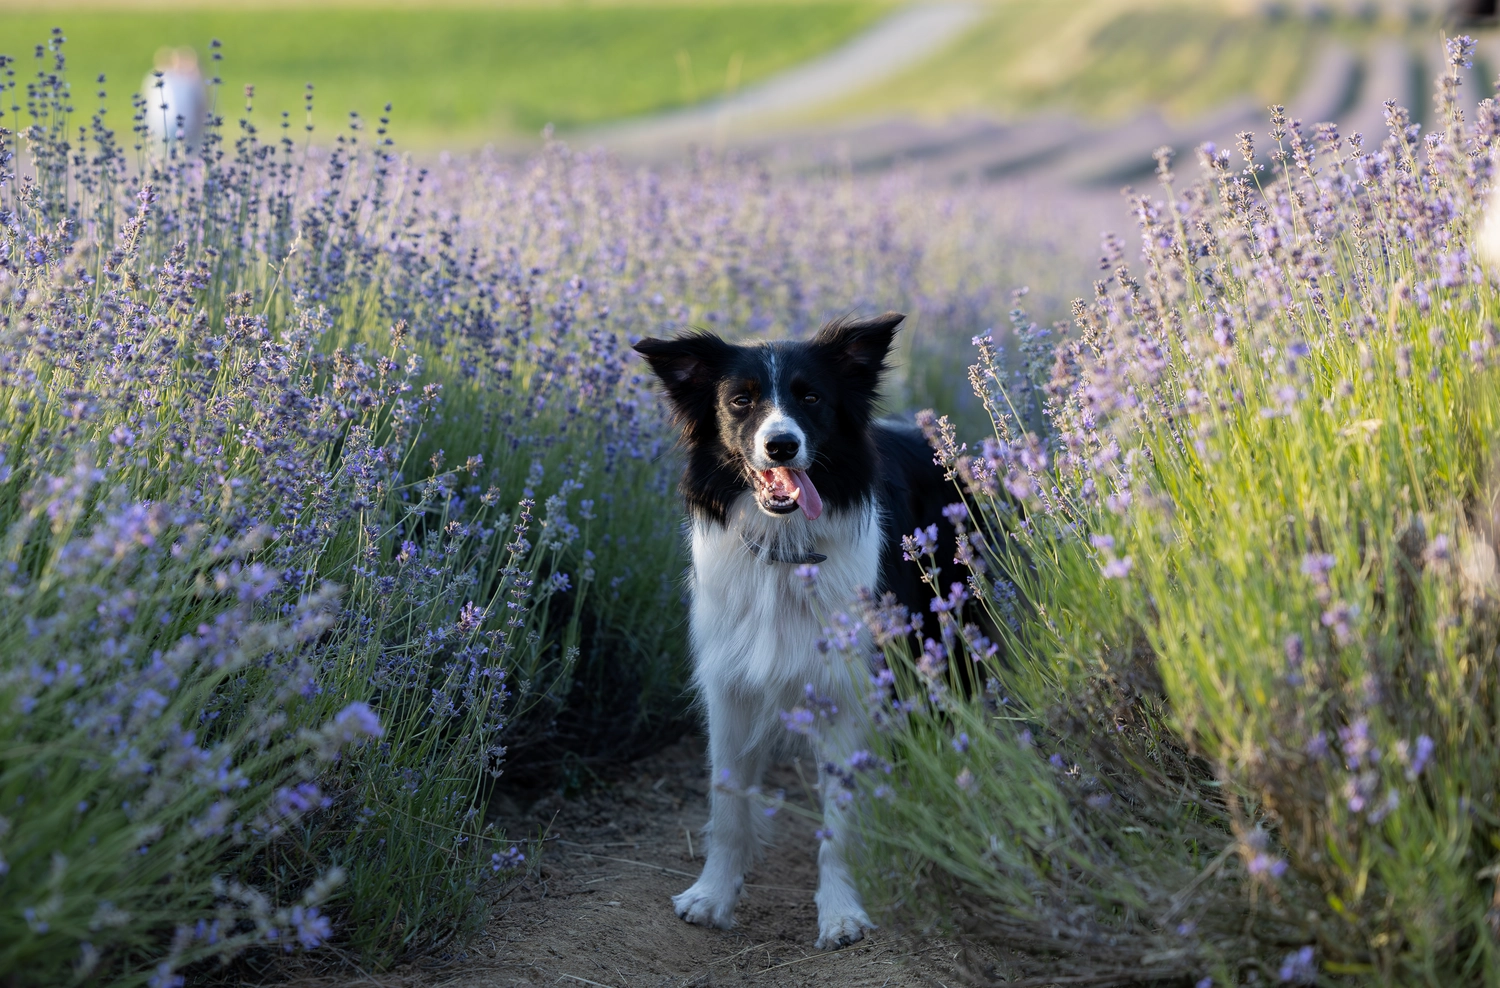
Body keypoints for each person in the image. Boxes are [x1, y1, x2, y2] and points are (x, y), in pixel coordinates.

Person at [142, 47, 206, 149]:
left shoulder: (186, 79)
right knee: (164, 149)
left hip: (184, 123)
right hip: (162, 123)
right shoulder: (160, 78)